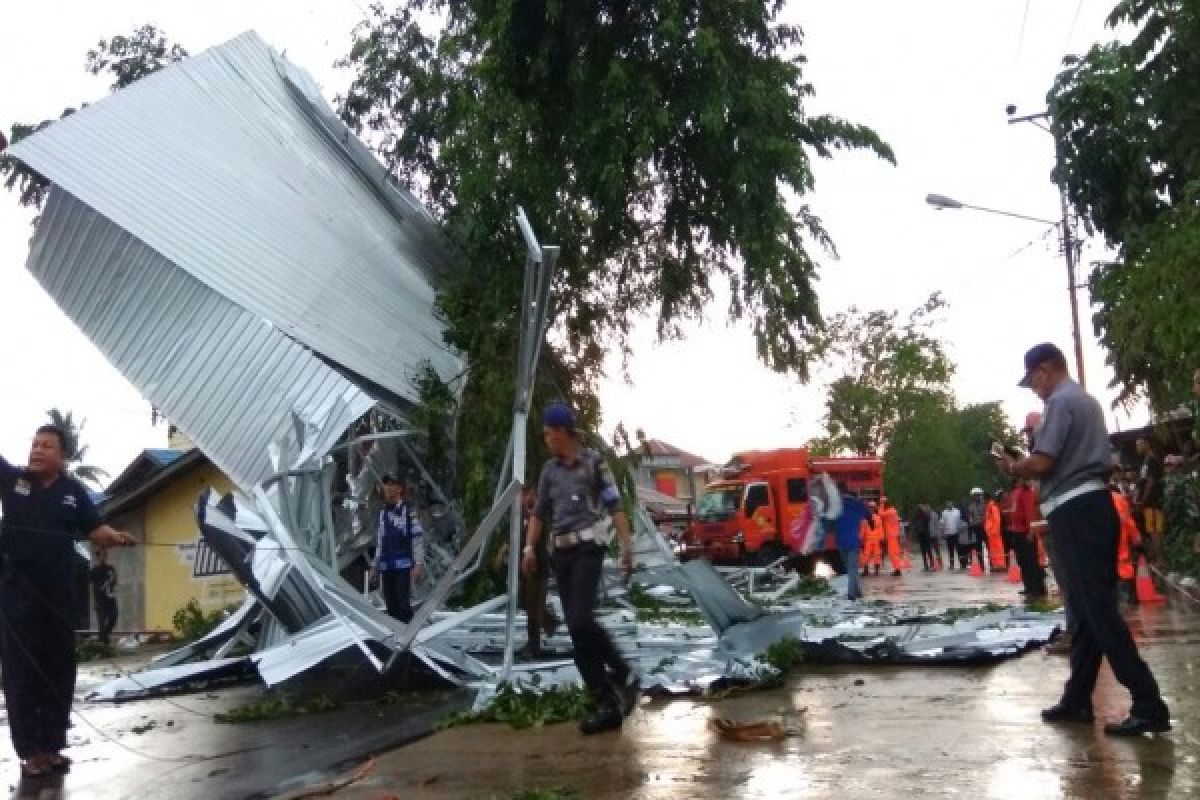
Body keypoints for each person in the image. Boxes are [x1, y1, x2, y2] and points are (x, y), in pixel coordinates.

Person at [1000, 342, 1170, 736]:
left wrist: (1014, 467)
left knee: (1097, 610)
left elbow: (1043, 461)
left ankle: (1148, 702)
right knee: (1083, 610)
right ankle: (1078, 698)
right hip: (1090, 506)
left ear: (1046, 370)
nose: (1035, 390)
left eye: (1034, 381)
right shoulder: (1087, 402)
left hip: (1077, 509)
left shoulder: (1060, 403)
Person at [0, 425, 136, 778]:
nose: (37, 450)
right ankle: (31, 752)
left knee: (59, 669)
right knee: (23, 674)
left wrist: (115, 537)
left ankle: (53, 745)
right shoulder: (13, 481)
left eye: (46, 446)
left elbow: (95, 530)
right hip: (17, 597)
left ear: (63, 456)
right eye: (34, 444)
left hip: (59, 597)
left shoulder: (73, 492)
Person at [522, 402, 638, 735]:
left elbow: (616, 506)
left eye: (548, 432)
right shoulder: (549, 472)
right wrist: (530, 547)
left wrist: (627, 548)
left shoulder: (594, 465)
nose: (546, 439)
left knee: (580, 618)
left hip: (589, 548)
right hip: (561, 554)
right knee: (576, 632)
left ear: (563, 432)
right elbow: (539, 514)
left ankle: (620, 670)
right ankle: (606, 701)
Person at [370, 474, 426, 623]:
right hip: (386, 565)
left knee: (403, 606)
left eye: (390, 484)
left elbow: (417, 538)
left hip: (403, 566)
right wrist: (374, 566)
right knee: (391, 606)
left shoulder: (409, 511)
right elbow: (380, 541)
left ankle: (408, 636)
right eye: (385, 484)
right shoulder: (383, 513)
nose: (386, 488)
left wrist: (418, 564)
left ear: (399, 488)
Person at [516, 485, 558, 659]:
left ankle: (534, 647)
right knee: (523, 601)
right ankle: (549, 621)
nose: (528, 499)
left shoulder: (539, 517)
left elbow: (538, 540)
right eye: (525, 495)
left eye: (532, 495)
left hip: (538, 566)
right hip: (524, 567)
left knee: (533, 607)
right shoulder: (519, 517)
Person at [1007, 478, 1046, 599]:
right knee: (1022, 561)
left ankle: (1037, 588)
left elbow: (1030, 512)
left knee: (1031, 561)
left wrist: (1031, 530)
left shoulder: (1026, 491)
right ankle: (1029, 586)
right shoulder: (1015, 492)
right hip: (1017, 531)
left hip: (1025, 532)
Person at [832, 483, 871, 600]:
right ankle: (853, 593)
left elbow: (828, 521)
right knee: (852, 568)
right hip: (853, 541)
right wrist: (870, 522)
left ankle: (855, 592)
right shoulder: (856, 503)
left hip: (840, 542)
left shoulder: (835, 505)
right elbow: (868, 514)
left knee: (849, 568)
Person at [1135, 438, 1165, 567]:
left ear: (1147, 444)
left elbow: (1150, 482)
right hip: (1148, 503)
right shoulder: (1145, 461)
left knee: (1155, 531)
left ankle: (1160, 560)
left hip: (1152, 501)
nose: (1137, 447)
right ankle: (1157, 558)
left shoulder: (1152, 460)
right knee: (1151, 530)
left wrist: (1144, 499)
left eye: (1139, 444)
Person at [89, 546, 119, 646]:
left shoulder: (110, 568)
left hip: (110, 598)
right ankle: (103, 643)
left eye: (105, 555)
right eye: (101, 555)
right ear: (97, 557)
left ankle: (104, 637)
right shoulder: (94, 570)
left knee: (113, 617)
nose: (104, 557)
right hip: (100, 600)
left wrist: (110, 582)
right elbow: (91, 586)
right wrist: (93, 601)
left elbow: (114, 581)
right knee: (101, 621)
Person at [879, 498, 905, 576]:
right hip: (894, 535)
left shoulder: (889, 512)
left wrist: (881, 503)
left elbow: (880, 513)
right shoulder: (893, 511)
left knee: (892, 554)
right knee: (895, 553)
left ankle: (897, 570)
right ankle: (897, 569)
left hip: (891, 536)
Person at [859, 501, 883, 577]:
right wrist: (860, 539)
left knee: (877, 555)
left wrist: (881, 538)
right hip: (868, 540)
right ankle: (866, 570)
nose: (871, 508)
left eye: (872, 507)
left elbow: (880, 529)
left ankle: (876, 571)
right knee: (866, 555)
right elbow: (862, 529)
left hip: (876, 539)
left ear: (874, 508)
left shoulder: (878, 518)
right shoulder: (864, 518)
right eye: (870, 507)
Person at [966, 489, 988, 569]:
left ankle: (992, 563)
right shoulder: (971, 506)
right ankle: (981, 565)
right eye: (975, 495)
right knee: (978, 547)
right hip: (977, 528)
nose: (976, 497)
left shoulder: (985, 504)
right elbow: (970, 518)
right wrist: (972, 525)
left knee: (989, 545)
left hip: (985, 527)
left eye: (978, 495)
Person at [909, 503, 936, 571]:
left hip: (920, 535)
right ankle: (932, 564)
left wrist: (913, 534)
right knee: (929, 550)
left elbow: (914, 525)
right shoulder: (925, 515)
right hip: (926, 534)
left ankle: (925, 565)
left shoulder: (916, 516)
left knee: (923, 551)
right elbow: (929, 519)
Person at [984, 490, 1005, 571]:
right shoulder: (989, 507)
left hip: (994, 532)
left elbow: (997, 520)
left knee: (998, 548)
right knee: (993, 550)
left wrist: (995, 530)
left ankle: (1001, 565)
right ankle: (996, 565)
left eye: (983, 499)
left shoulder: (993, 507)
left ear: (987, 499)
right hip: (990, 532)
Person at [938, 501, 962, 568]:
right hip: (948, 534)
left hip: (957, 533)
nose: (949, 506)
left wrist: (960, 530)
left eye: (950, 505)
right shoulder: (944, 512)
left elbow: (959, 521)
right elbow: (942, 523)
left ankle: (962, 563)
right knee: (950, 549)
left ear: (952, 505)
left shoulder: (957, 511)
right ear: (946, 506)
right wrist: (942, 532)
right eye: (948, 505)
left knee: (959, 549)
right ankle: (952, 564)